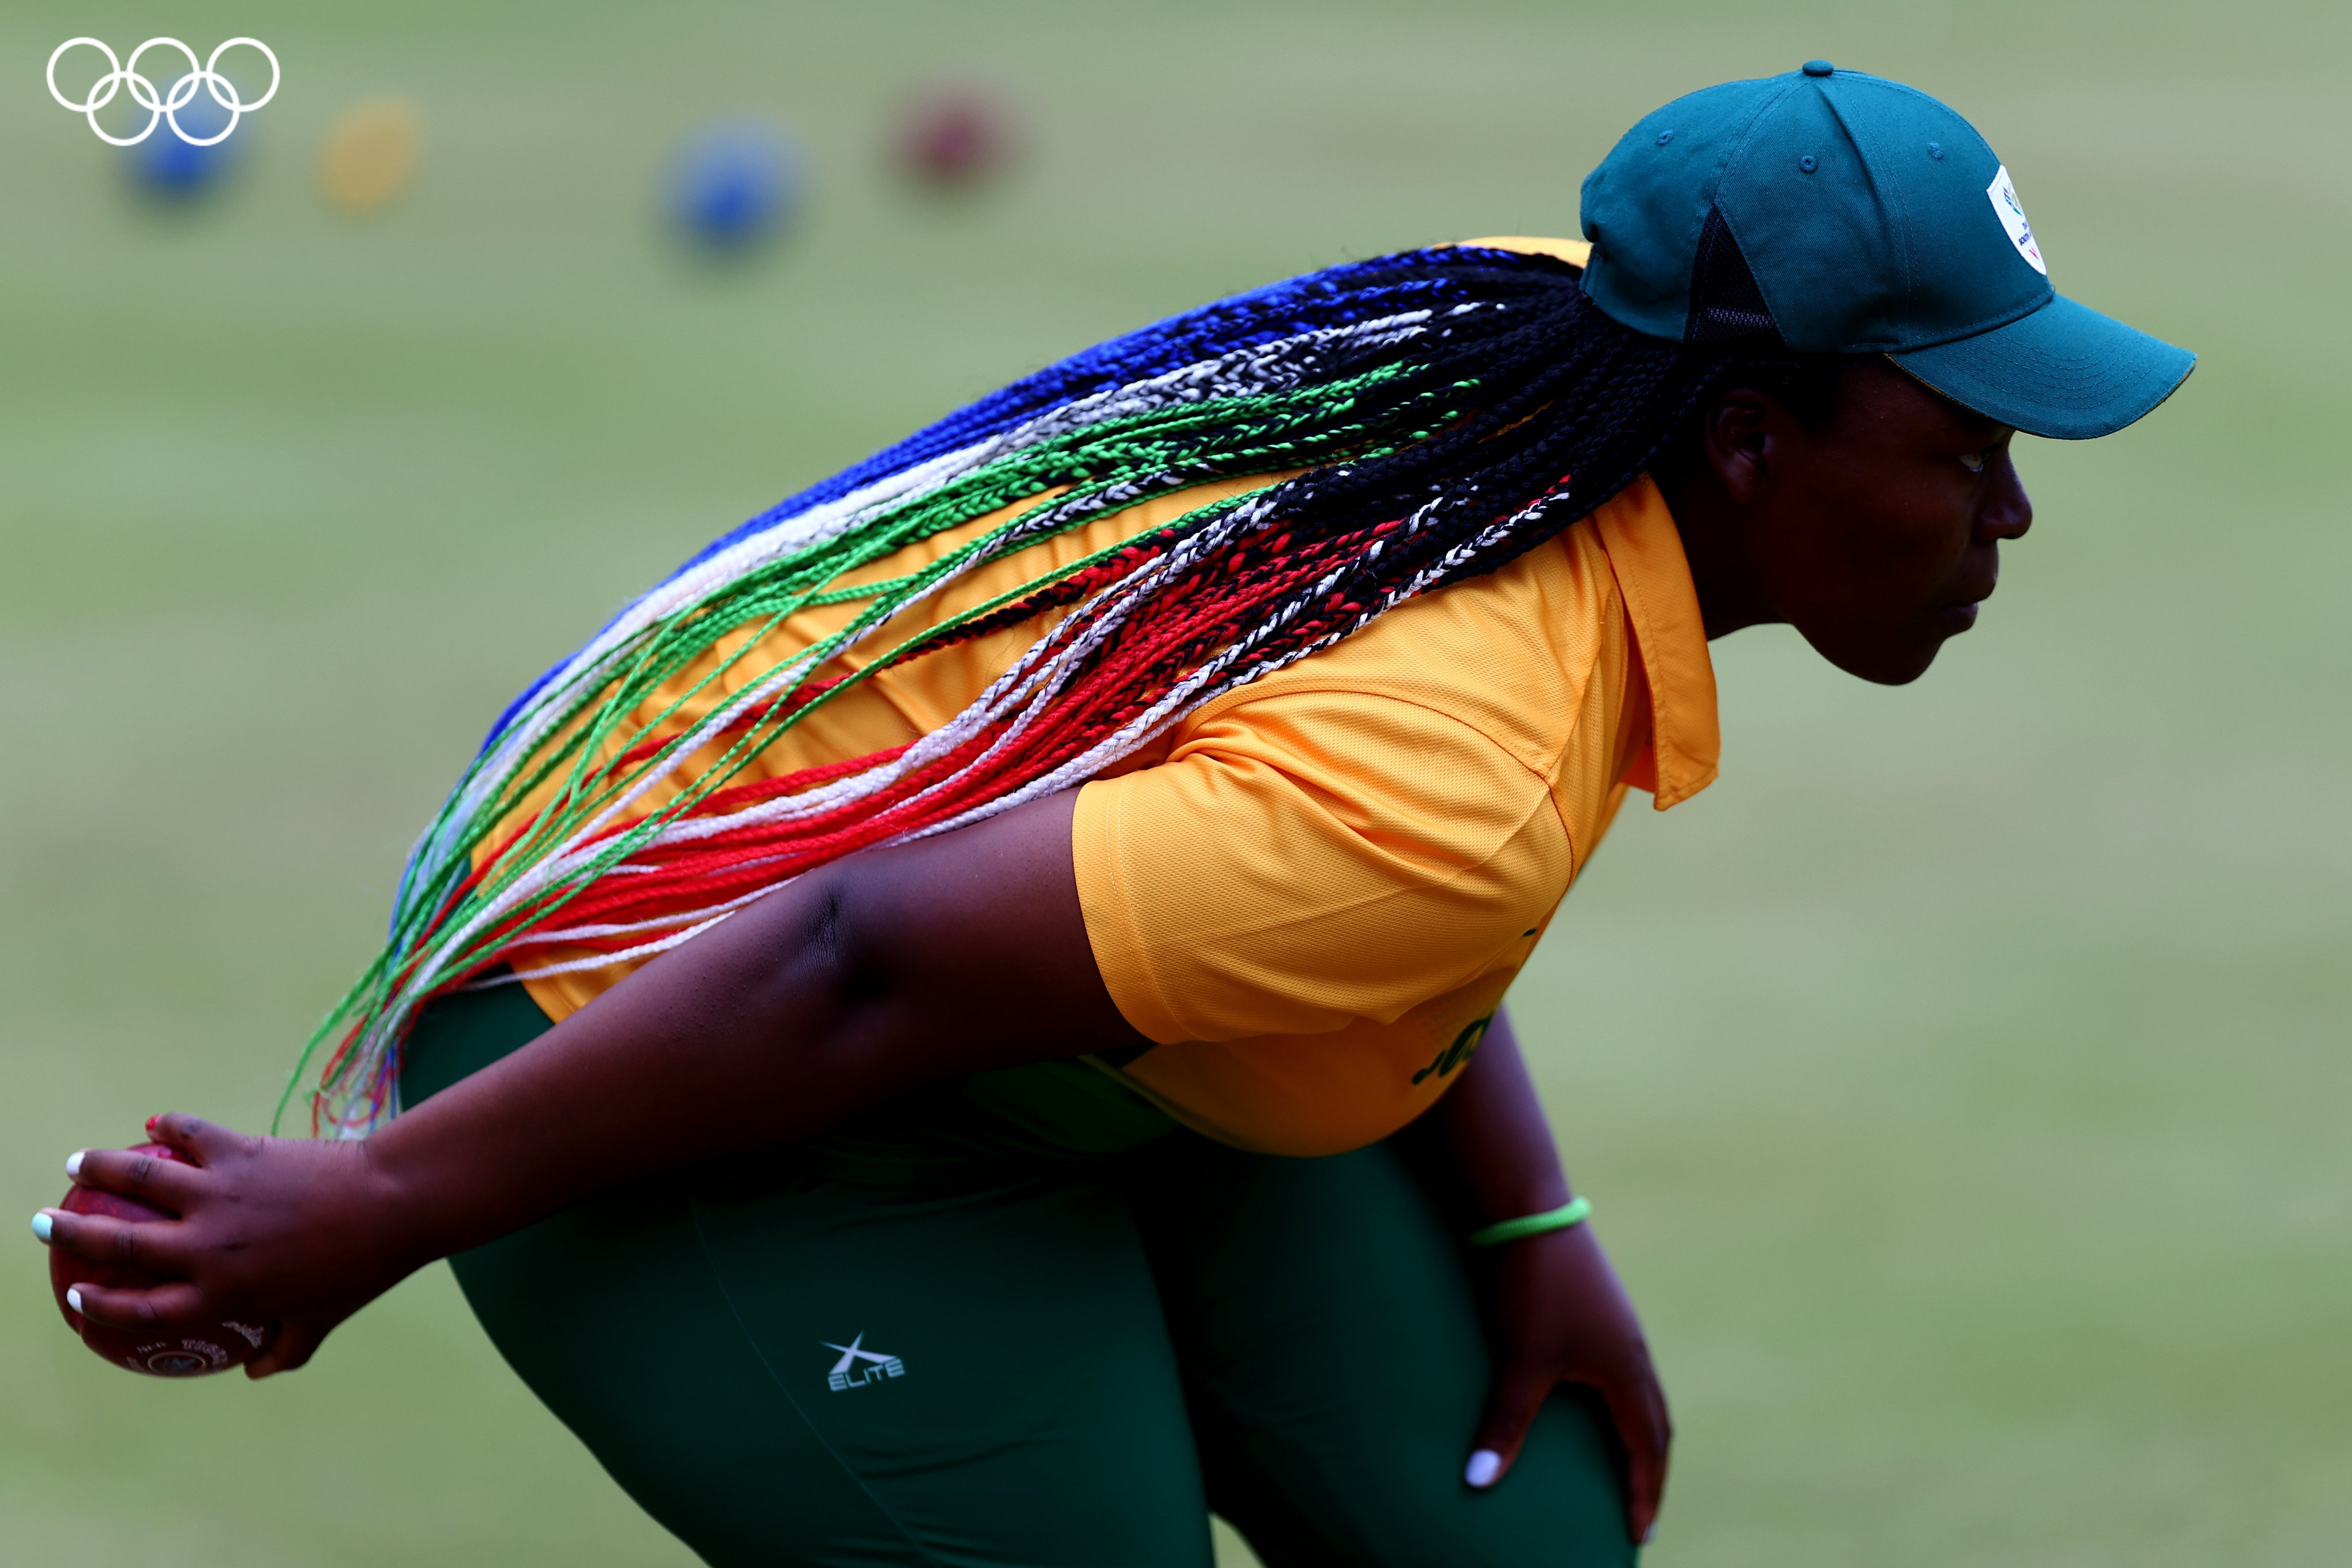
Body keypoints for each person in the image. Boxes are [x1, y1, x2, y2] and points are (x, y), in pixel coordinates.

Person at [35, 65, 2190, 1567]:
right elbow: (861, 953)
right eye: (1967, 441)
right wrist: (374, 1207)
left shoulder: (1572, 339)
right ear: (1743, 440)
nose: (2007, 505)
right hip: (662, 1033)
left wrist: (1531, 1225)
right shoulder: (1460, 758)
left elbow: (1306, 844)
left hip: (1052, 1016)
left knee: (1514, 1543)